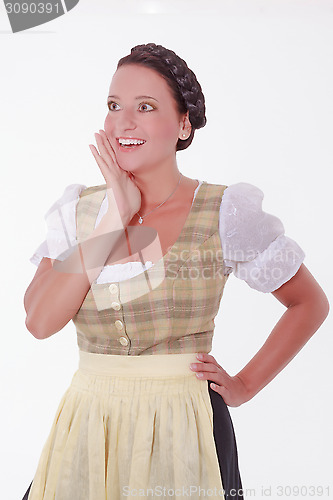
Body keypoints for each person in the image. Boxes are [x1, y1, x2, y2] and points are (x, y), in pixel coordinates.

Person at [22, 43, 329, 500]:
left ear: (183, 123)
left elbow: (309, 303)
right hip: (88, 424)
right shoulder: (78, 211)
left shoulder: (224, 210)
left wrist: (244, 384)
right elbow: (40, 322)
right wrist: (112, 219)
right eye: (113, 106)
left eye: (145, 107)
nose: (123, 121)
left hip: (186, 422)